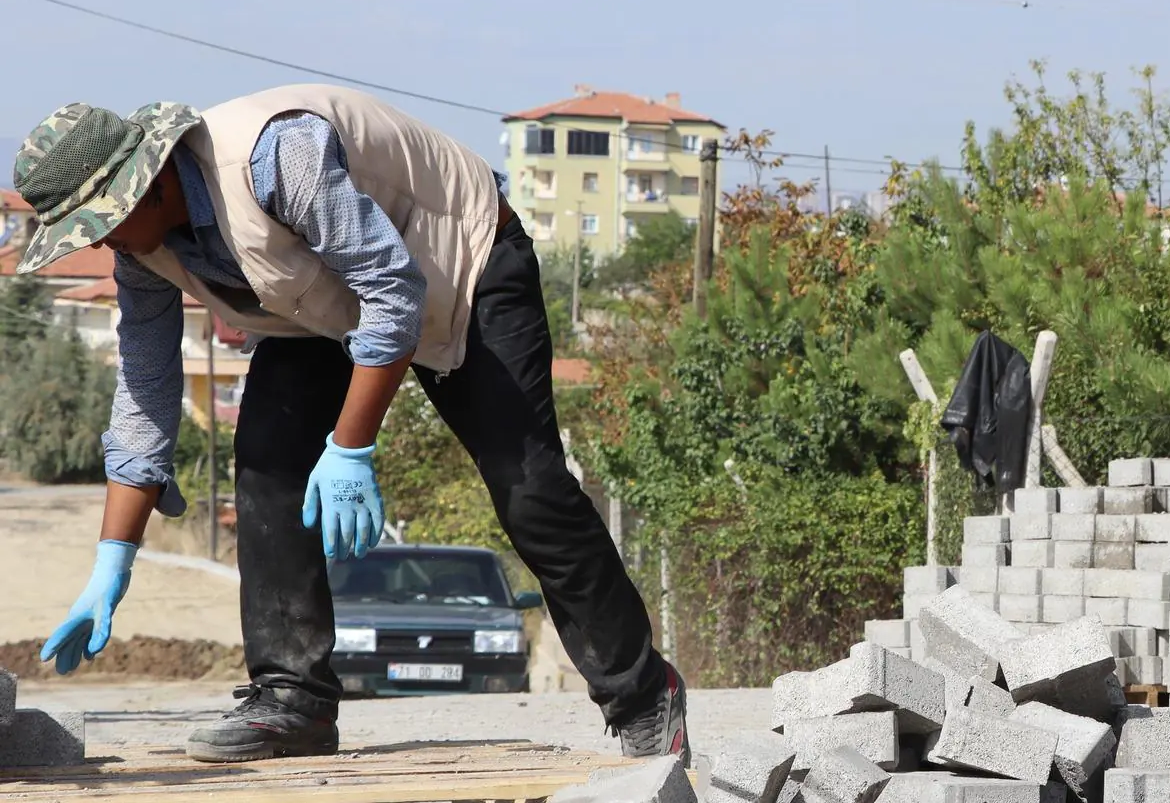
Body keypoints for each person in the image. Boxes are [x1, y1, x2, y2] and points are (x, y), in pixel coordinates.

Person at [12, 87, 687, 762]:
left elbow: (394, 289)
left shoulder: (276, 158)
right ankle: (293, 698)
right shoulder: (142, 252)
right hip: (328, 300)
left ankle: (642, 693)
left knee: (527, 484)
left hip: (464, 261)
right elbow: (145, 391)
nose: (99, 243)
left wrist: (350, 447)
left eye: (99, 223)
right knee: (268, 460)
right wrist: (112, 560)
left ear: (148, 184)